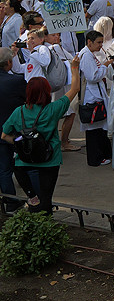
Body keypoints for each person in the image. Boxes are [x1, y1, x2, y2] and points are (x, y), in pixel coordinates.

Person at [0, 56, 81, 213]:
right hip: (49, 162)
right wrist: (74, 68)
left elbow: (4, 136)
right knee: (46, 198)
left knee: (34, 199)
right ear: (47, 91)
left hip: (22, 164)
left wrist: (20, 141)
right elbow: (75, 89)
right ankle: (44, 225)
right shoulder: (53, 109)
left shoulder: (19, 112)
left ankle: (32, 205)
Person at [77, 30, 114, 167]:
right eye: (98, 42)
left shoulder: (89, 54)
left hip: (94, 94)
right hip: (91, 97)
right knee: (94, 130)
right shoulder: (86, 56)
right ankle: (96, 158)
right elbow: (92, 77)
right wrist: (105, 67)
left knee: (98, 128)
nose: (100, 45)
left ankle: (103, 154)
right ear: (89, 42)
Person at [0, 47, 26, 211]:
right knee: (23, 163)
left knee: (4, 167)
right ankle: (15, 201)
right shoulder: (16, 82)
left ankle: (10, 201)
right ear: (9, 63)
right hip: (14, 134)